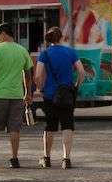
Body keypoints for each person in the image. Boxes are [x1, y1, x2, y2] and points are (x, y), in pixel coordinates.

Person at [35, 27, 85, 169]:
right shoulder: (70, 52)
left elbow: (38, 75)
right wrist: (76, 87)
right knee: (67, 125)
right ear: (61, 38)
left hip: (50, 95)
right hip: (67, 94)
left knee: (50, 126)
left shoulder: (45, 54)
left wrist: (41, 88)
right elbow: (81, 72)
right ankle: (66, 159)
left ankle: (46, 158)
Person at [0, 23, 33, 168]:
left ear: (4, 33)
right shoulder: (22, 50)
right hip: (17, 95)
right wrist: (28, 93)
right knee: (15, 129)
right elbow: (27, 75)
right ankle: (14, 159)